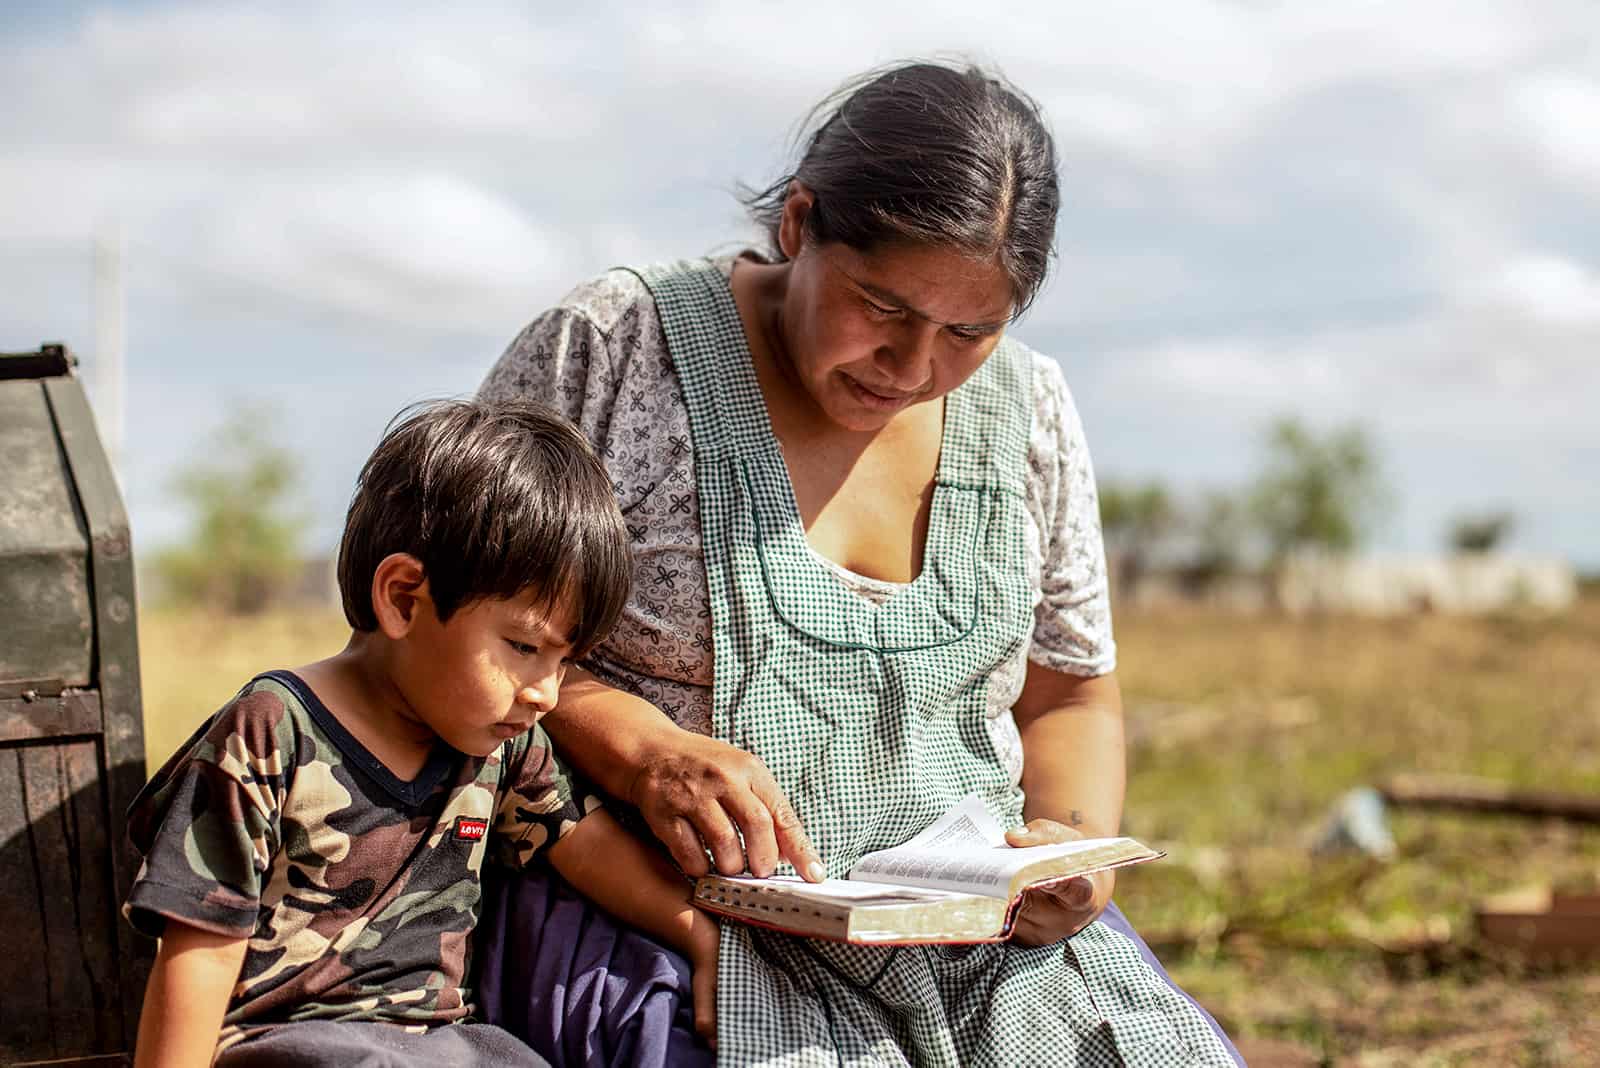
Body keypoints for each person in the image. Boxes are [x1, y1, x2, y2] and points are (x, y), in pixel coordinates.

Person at [478, 61, 1244, 1066]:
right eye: (881, 305)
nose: (914, 366)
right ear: (798, 223)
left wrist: (1068, 848)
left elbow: (1067, 695)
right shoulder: (614, 351)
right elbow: (449, 641)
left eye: (969, 329)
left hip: (974, 944)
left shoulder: (1030, 413)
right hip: (652, 909)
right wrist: (642, 750)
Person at [121, 400, 723, 1068]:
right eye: (523, 646)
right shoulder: (271, 733)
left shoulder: (502, 746)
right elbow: (198, 953)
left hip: (443, 1048)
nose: (546, 692)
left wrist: (700, 935)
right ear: (404, 597)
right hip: (291, 1047)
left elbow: (585, 847)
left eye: (564, 660)